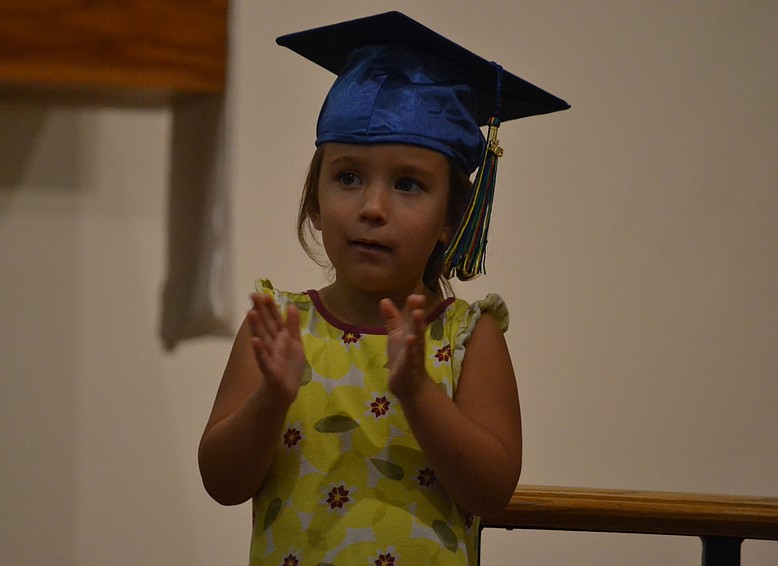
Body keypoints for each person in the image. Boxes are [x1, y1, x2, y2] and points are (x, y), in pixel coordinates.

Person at [199, 11, 569, 565]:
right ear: (315, 203)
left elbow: (491, 493)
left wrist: (418, 390)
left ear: (451, 220)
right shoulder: (279, 328)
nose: (373, 208)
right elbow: (222, 482)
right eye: (348, 177)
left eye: (408, 184)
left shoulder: (469, 338)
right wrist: (271, 399)